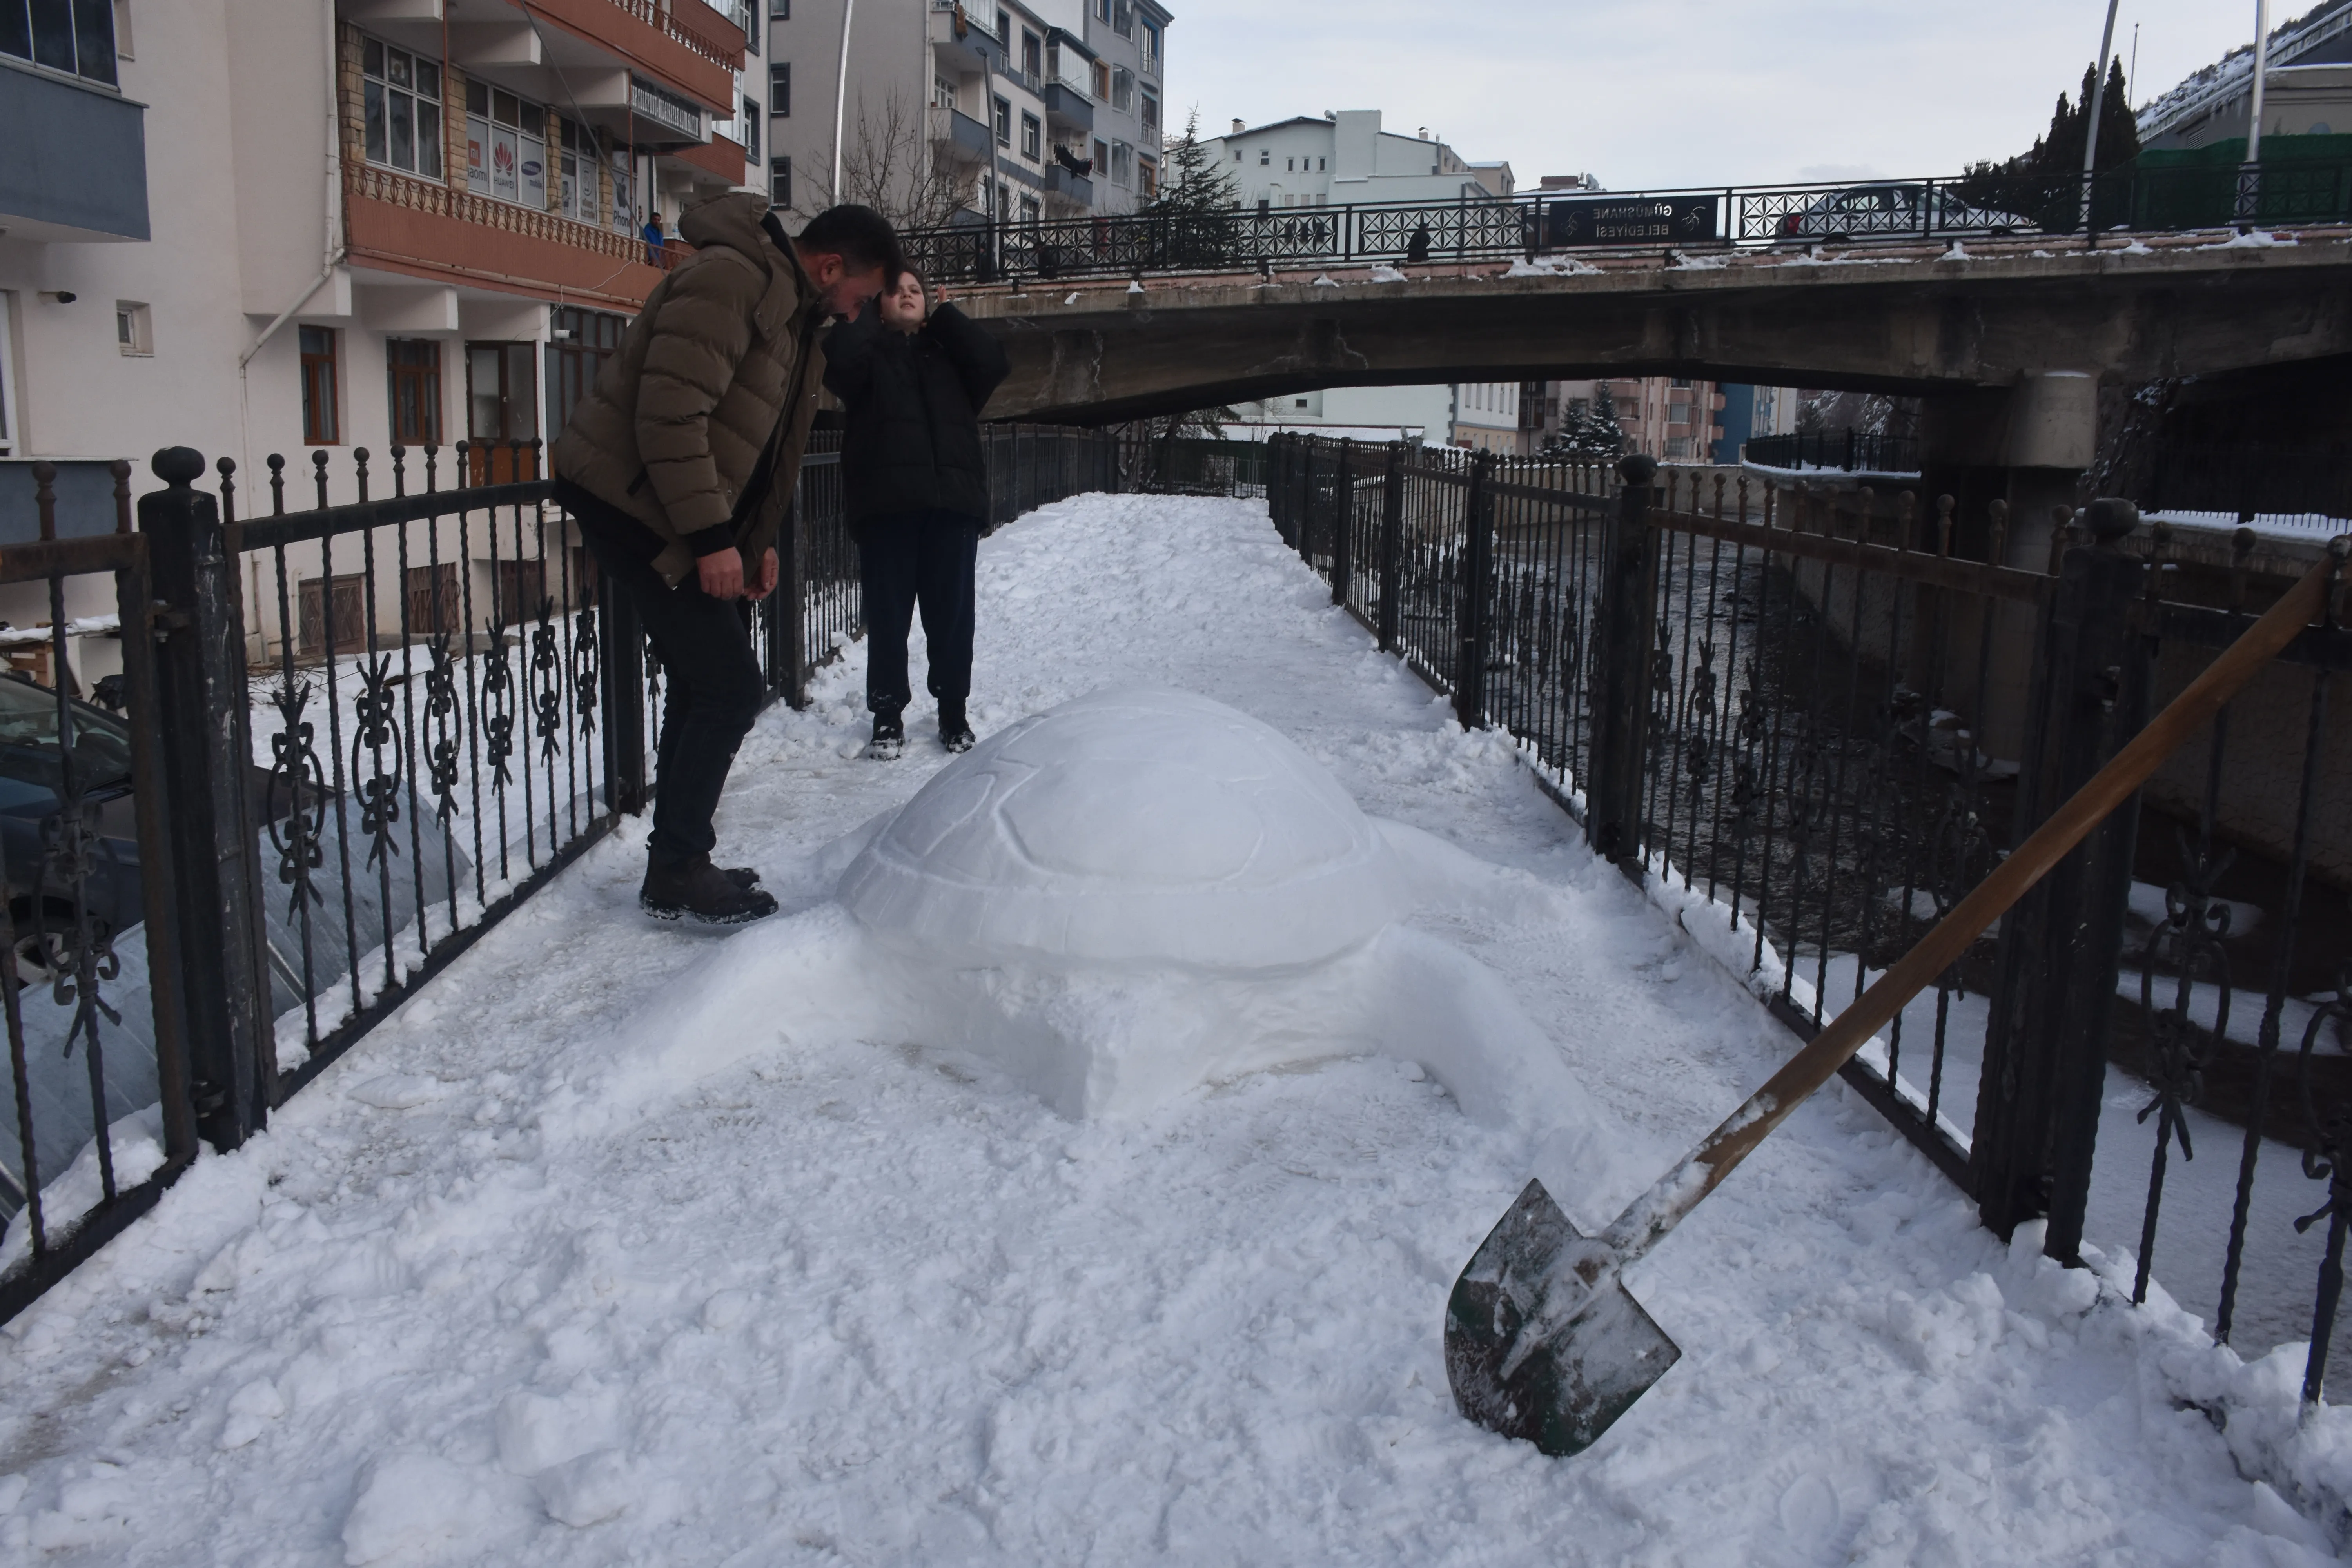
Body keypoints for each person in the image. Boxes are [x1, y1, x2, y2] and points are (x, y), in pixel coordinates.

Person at [553, 196, 898, 924]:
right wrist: (711, 540)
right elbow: (670, 415)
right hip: (634, 501)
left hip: (678, 505)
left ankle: (675, 863)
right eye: (860, 296)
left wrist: (754, 541)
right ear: (830, 265)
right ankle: (678, 866)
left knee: (707, 682)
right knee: (730, 688)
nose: (856, 312)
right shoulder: (731, 280)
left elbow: (762, 443)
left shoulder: (794, 312)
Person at [822, 265, 1011, 758]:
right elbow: (836, 362)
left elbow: (993, 362)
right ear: (879, 304)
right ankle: (887, 717)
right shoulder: (867, 359)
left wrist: (947, 317)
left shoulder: (950, 355)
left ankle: (953, 711)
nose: (907, 297)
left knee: (952, 618)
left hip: (951, 506)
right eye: (895, 292)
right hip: (889, 509)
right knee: (889, 620)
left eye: (915, 291)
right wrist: (865, 316)